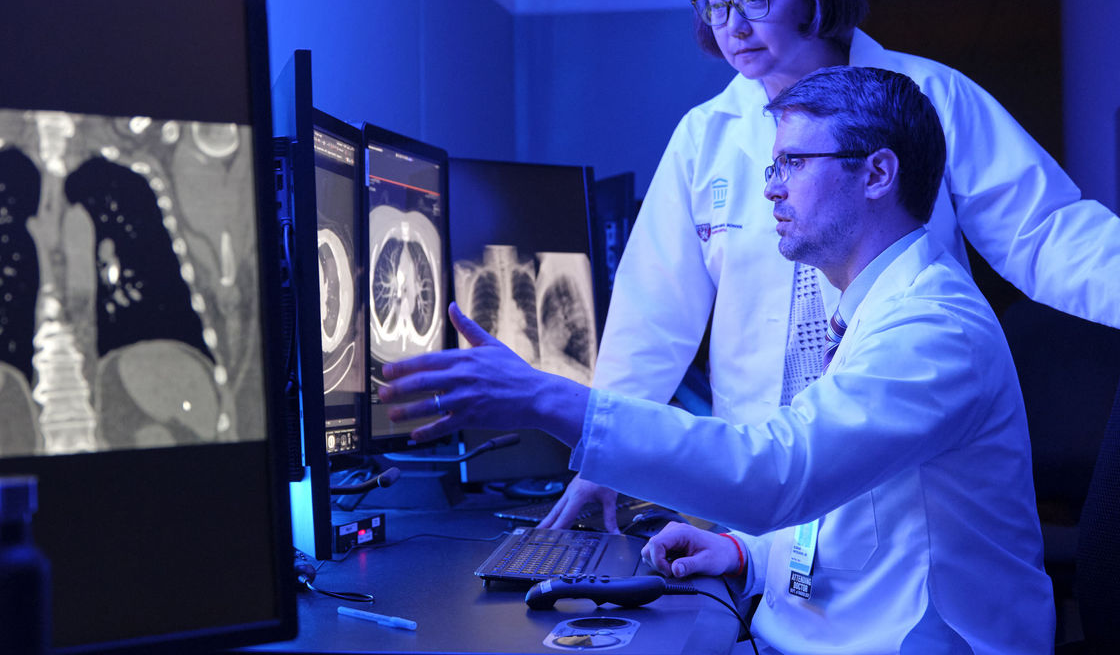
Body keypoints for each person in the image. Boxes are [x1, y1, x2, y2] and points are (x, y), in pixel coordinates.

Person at [379, 66, 1055, 655]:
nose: (771, 190)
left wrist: (542, 397)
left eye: (794, 163)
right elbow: (857, 502)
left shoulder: (933, 329)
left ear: (877, 173)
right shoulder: (877, 309)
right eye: (773, 166)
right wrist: (746, 553)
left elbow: (778, 473)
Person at [545, 0, 1120, 531]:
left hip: (893, 466)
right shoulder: (704, 137)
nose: (734, 25)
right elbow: (654, 311)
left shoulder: (928, 98)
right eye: (717, 6)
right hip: (759, 475)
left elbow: (1046, 233)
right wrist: (606, 459)